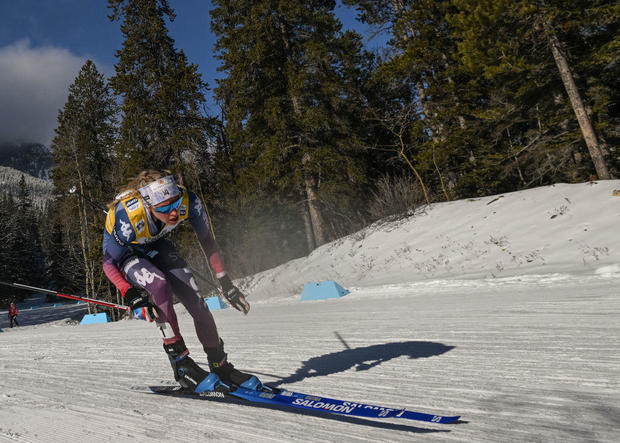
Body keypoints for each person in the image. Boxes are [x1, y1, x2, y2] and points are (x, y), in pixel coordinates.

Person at [102, 170, 255, 391]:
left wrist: (225, 282)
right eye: (163, 206)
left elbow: (207, 240)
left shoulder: (189, 201)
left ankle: (219, 364)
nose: (173, 212)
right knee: (159, 284)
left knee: (196, 298)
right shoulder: (129, 216)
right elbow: (108, 264)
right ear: (147, 204)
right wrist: (132, 295)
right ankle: (181, 364)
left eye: (174, 202)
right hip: (126, 253)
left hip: (156, 243)